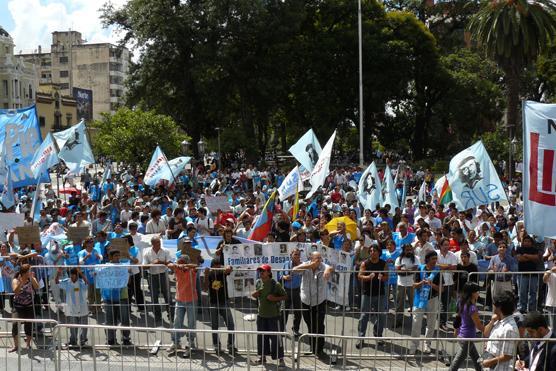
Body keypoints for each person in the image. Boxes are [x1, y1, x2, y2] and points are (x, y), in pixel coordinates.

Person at [292, 251, 334, 357]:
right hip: (306, 301)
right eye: (316, 258)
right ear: (311, 258)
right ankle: (312, 347)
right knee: (310, 325)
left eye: (320, 258)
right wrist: (310, 266)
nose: (319, 260)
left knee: (319, 325)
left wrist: (327, 271)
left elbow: (330, 267)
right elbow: (294, 270)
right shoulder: (306, 265)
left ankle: (319, 349)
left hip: (319, 301)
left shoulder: (323, 266)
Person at [252, 264, 287, 368]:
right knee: (262, 337)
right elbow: (256, 295)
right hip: (261, 315)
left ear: (269, 272)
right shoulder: (258, 282)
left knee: (276, 338)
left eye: (263, 271)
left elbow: (285, 296)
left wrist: (274, 298)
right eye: (260, 271)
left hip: (273, 316)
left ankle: (281, 360)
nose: (261, 272)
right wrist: (254, 294)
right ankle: (262, 357)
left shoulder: (275, 284)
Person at [409, 251, 441, 355]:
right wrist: (421, 283)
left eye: (436, 259)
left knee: (431, 324)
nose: (435, 261)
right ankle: (413, 346)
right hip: (419, 299)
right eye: (433, 259)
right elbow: (414, 285)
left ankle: (427, 344)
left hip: (433, 299)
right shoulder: (420, 268)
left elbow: (441, 289)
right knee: (416, 323)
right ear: (427, 259)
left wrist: (432, 285)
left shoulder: (437, 271)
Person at [356, 244, 388, 349]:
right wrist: (368, 277)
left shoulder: (383, 263)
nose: (372, 252)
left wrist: (382, 277)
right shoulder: (365, 263)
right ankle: (361, 338)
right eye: (370, 251)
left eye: (374, 250)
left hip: (380, 293)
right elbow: (360, 276)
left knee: (381, 315)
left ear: (379, 252)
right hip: (367, 293)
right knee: (364, 316)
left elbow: (386, 276)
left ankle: (378, 335)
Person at [204, 257, 237, 354]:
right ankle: (216, 345)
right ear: (212, 266)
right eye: (216, 266)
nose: (218, 268)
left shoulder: (222, 272)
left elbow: (229, 269)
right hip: (212, 302)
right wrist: (206, 275)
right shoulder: (209, 274)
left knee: (230, 324)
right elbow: (205, 288)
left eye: (220, 266)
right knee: (214, 325)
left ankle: (230, 345)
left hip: (223, 302)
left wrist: (229, 267)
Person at [449, 282, 485, 371]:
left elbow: (458, 318)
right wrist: (491, 325)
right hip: (467, 338)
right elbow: (479, 326)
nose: (478, 294)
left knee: (477, 359)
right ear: (472, 293)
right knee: (456, 363)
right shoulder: (472, 308)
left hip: (463, 336)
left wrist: (456, 330)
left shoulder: (461, 302)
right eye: (477, 292)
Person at [167, 254, 198, 353]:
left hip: (191, 300)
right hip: (179, 299)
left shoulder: (192, 270)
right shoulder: (177, 269)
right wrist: (176, 265)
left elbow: (195, 265)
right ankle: (175, 342)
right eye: (179, 262)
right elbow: (169, 264)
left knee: (191, 322)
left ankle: (191, 343)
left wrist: (186, 266)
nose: (180, 264)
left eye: (182, 262)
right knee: (177, 322)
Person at [482, 291, 519, 370]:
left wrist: (490, 362)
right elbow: (485, 333)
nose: (493, 306)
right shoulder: (498, 320)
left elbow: (507, 355)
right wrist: (492, 321)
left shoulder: (510, 329)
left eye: (494, 304)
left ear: (499, 307)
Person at [101, 250, 132, 346]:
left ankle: (126, 338)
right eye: (115, 256)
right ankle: (110, 339)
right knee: (110, 318)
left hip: (122, 295)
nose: (118, 257)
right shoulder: (105, 267)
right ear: (111, 257)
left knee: (125, 318)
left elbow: (129, 281)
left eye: (119, 255)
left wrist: (128, 274)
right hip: (109, 296)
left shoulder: (124, 266)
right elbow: (101, 278)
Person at [142, 235, 173, 322]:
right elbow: (144, 266)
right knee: (154, 297)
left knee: (168, 296)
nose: (159, 244)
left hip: (163, 275)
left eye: (159, 242)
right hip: (152, 276)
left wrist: (160, 262)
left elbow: (170, 263)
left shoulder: (166, 251)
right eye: (157, 242)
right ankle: (158, 316)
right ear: (152, 243)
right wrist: (152, 264)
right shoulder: (147, 252)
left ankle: (171, 314)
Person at [10, 264, 39, 352]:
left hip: (29, 305)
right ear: (24, 272)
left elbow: (37, 287)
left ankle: (28, 344)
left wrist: (32, 278)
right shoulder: (16, 280)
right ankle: (16, 346)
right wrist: (21, 282)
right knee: (15, 325)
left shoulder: (31, 278)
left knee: (29, 325)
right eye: (29, 270)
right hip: (18, 306)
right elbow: (16, 291)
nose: (31, 272)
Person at [57, 268, 89, 347]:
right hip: (72, 308)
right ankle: (73, 341)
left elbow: (87, 282)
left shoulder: (81, 282)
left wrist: (80, 273)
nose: (72, 277)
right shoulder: (67, 282)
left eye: (73, 275)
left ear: (77, 275)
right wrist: (58, 273)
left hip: (82, 307)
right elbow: (57, 282)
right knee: (73, 326)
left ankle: (83, 341)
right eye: (70, 275)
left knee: (84, 325)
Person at [278, 248, 303, 338]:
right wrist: (285, 277)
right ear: (291, 256)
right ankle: (281, 330)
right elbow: (280, 276)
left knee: (298, 312)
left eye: (298, 255)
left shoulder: (302, 265)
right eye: (295, 254)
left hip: (297, 291)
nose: (297, 256)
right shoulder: (286, 264)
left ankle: (295, 329)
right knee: (283, 312)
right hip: (286, 291)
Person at [395, 243, 419, 327]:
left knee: (413, 304)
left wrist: (404, 271)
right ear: (404, 250)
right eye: (407, 249)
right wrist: (409, 271)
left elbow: (415, 269)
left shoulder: (415, 258)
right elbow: (397, 271)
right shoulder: (399, 259)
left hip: (412, 284)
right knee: (399, 304)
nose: (409, 251)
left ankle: (415, 322)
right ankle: (398, 321)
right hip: (401, 284)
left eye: (410, 249)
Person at [516, 235, 542, 313]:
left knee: (533, 292)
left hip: (533, 274)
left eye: (528, 241)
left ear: (531, 243)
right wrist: (531, 258)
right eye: (525, 241)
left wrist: (526, 255)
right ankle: (522, 308)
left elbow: (537, 259)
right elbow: (520, 259)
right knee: (522, 292)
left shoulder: (535, 250)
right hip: (522, 274)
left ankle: (532, 308)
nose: (527, 243)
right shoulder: (519, 249)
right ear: (523, 242)